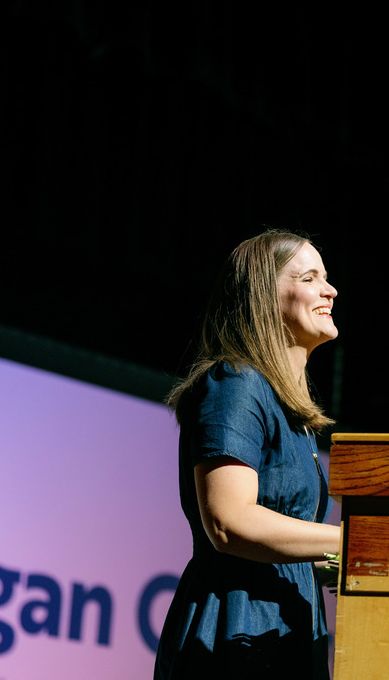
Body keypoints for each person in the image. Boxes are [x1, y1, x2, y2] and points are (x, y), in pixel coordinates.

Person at [154, 229, 342, 679]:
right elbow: (229, 520)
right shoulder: (236, 382)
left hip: (285, 629)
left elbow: (283, 537)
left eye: (327, 278)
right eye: (310, 278)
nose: (330, 290)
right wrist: (353, 543)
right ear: (263, 295)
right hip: (236, 627)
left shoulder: (292, 415)